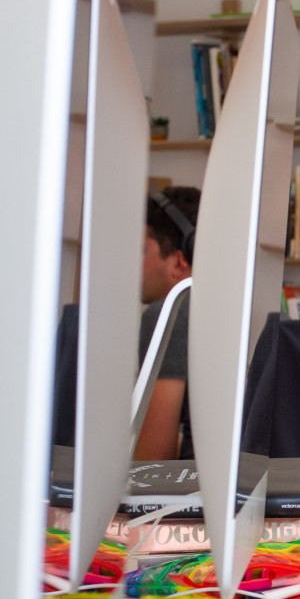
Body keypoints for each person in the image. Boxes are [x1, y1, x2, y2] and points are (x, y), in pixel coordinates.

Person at [137, 185, 199, 459]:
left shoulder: (169, 314)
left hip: (188, 486)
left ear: (179, 261)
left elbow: (153, 460)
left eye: (142, 250)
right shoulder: (235, 308)